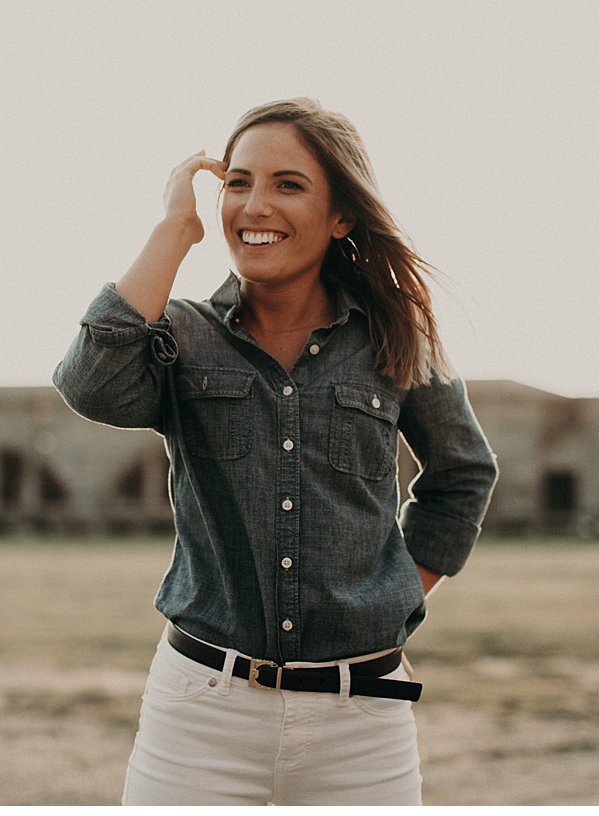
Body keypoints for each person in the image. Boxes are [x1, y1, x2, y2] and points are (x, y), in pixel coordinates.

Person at [52, 98, 498, 805]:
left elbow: (462, 472)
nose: (255, 204)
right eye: (238, 181)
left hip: (364, 723)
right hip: (200, 712)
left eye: (289, 184)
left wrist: (395, 590)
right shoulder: (180, 334)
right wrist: (175, 228)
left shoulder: (396, 335)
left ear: (341, 215)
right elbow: (90, 383)